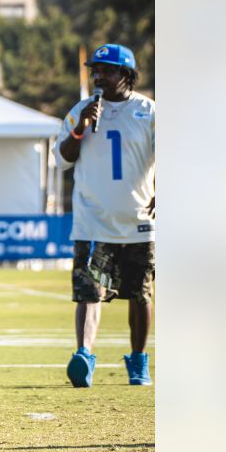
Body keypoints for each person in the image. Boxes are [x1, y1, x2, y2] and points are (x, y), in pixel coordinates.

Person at [56, 43, 155, 388]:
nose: (98, 76)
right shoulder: (81, 111)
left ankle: (139, 360)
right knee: (88, 292)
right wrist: (81, 128)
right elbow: (63, 158)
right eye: (94, 70)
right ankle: (84, 355)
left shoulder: (149, 110)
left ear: (126, 74)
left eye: (106, 70)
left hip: (137, 220)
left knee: (140, 294)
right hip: (92, 220)